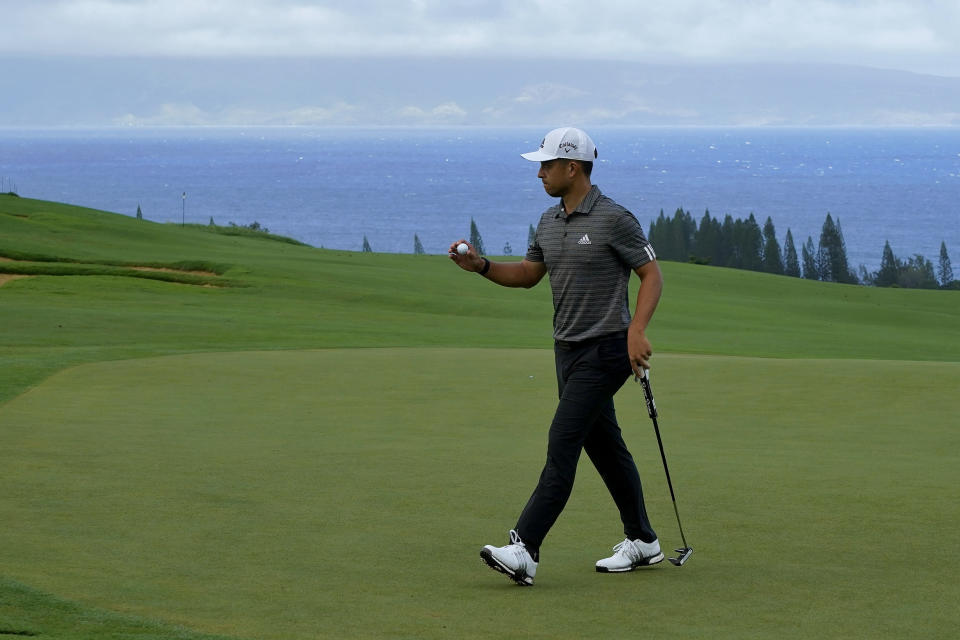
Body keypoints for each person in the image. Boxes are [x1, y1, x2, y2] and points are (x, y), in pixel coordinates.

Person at [448, 127, 665, 586]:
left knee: (562, 441)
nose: (541, 173)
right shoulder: (548, 221)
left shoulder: (614, 218)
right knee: (604, 447)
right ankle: (643, 540)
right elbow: (529, 274)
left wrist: (636, 330)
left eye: (547, 165)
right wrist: (482, 266)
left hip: (606, 349)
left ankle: (525, 546)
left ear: (573, 167)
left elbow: (651, 275)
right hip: (565, 350)